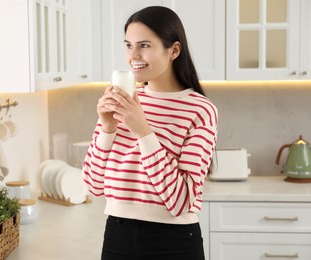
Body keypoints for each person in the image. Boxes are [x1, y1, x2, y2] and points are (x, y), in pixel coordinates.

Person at [82, 6, 218, 260]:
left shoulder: (200, 109)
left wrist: (143, 131)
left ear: (174, 50)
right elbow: (92, 185)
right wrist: (107, 128)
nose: (134, 55)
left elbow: (180, 202)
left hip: (174, 242)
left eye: (144, 45)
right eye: (128, 45)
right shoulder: (124, 100)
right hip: (117, 234)